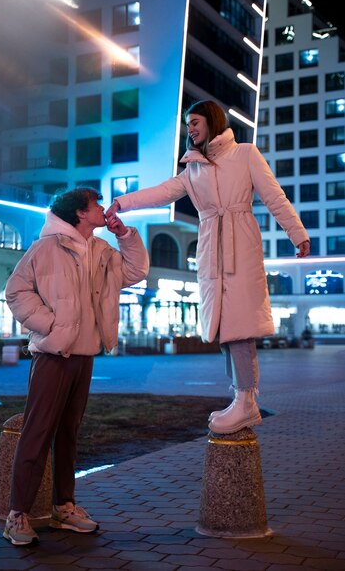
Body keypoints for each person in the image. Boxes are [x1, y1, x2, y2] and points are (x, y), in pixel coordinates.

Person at [106, 100, 310, 436]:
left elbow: (275, 196)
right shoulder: (193, 169)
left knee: (240, 325)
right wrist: (122, 203)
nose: (191, 129)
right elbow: (161, 193)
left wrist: (297, 233)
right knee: (224, 327)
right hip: (210, 247)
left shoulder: (245, 154)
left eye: (196, 122)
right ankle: (239, 397)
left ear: (212, 121)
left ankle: (247, 400)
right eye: (188, 124)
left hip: (240, 241)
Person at [3, 187, 149, 546]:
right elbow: (16, 291)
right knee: (38, 432)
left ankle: (63, 508)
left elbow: (135, 271)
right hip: (53, 355)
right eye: (96, 204)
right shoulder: (47, 247)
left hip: (85, 355)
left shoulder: (101, 250)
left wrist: (125, 235)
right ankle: (16, 515)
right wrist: (49, 324)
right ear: (81, 213)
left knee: (69, 433)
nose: (103, 208)